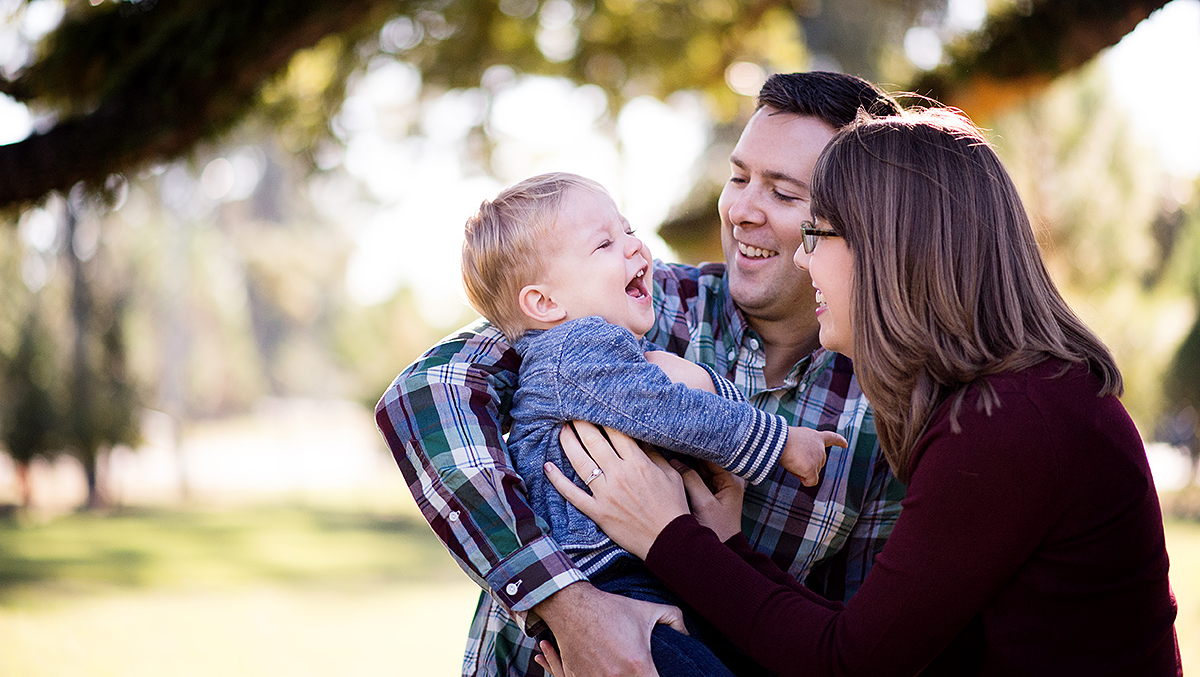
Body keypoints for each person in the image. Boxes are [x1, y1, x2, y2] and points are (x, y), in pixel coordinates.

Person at [542, 108, 1183, 676]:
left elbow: (849, 662)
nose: (801, 259)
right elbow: (876, 639)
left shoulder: (1013, 424)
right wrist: (726, 547)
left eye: (816, 234)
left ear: (888, 249)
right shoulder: (1005, 401)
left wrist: (667, 535)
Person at [375, 71, 906, 677]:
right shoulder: (634, 306)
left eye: (784, 194)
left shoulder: (886, 406)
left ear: (859, 223)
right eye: (737, 178)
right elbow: (429, 394)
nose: (741, 211)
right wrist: (573, 608)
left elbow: (849, 639)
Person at [459, 171, 848, 675]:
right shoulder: (575, 351)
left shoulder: (607, 354)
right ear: (544, 303)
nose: (635, 247)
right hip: (610, 582)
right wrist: (779, 441)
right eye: (604, 244)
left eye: (627, 229)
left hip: (647, 573)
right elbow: (674, 414)